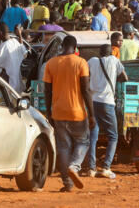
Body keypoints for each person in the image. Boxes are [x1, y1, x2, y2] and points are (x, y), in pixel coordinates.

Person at [44, 35, 95, 192]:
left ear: (62, 46)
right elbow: (85, 90)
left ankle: (67, 182)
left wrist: (49, 112)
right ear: (75, 47)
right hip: (77, 113)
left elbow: (47, 91)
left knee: (63, 147)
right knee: (83, 142)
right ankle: (74, 166)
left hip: (58, 112)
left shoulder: (51, 64)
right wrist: (92, 114)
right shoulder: (81, 63)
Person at [82, 44, 128, 179]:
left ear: (99, 52)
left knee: (93, 136)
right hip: (107, 102)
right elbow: (124, 77)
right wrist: (112, 79)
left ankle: (91, 168)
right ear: (111, 53)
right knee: (113, 136)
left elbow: (86, 75)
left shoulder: (92, 61)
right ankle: (106, 168)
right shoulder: (114, 60)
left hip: (92, 102)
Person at [0, 25, 28, 92]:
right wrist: (20, 35)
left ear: (0, 33)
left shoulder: (4, 46)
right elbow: (24, 53)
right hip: (18, 85)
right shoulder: (15, 42)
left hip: (10, 85)